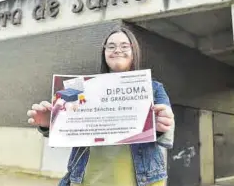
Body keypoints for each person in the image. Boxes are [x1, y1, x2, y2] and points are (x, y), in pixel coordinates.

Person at [27, 26, 175, 186]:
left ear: (134, 52)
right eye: (111, 46)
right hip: (87, 179)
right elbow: (66, 129)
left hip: (144, 180)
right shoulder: (80, 88)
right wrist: (51, 123)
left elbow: (166, 135)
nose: (117, 50)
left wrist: (163, 124)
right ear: (104, 53)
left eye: (124, 46)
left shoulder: (153, 88)